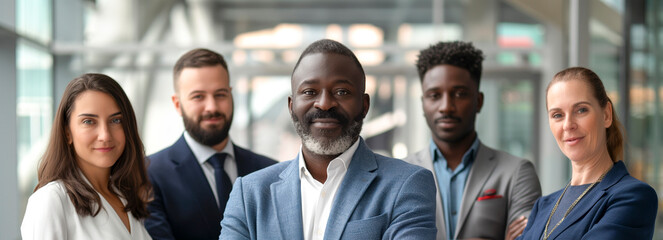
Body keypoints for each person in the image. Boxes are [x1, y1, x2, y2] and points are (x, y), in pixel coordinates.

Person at [219, 39, 437, 239]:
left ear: (364, 105)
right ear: (291, 106)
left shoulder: (407, 184)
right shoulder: (250, 193)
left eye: (342, 92)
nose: (324, 103)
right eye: (309, 92)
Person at [404, 41, 542, 240]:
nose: (446, 107)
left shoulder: (517, 172)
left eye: (459, 94)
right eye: (434, 95)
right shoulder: (400, 174)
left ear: (479, 101)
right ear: (423, 103)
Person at [144, 48, 277, 239]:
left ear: (231, 95)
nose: (212, 107)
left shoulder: (271, 171)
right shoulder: (148, 174)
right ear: (177, 104)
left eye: (220, 94)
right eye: (198, 96)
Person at [517, 67, 658, 240]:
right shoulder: (543, 206)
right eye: (557, 115)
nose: (568, 124)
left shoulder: (633, 197)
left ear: (606, 115)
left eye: (581, 110)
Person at [21, 73, 152, 239]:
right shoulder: (52, 200)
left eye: (116, 120)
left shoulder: (124, 196)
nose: (105, 135)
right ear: (67, 132)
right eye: (89, 121)